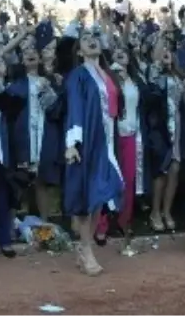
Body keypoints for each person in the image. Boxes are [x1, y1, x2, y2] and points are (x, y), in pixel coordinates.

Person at [62, 30, 124, 277]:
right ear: (79, 51)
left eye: (95, 36)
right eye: (85, 38)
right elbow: (75, 108)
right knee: (89, 195)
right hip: (88, 140)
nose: (92, 39)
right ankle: (86, 250)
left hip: (108, 139)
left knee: (102, 193)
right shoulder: (78, 75)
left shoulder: (107, 75)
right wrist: (72, 143)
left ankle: (84, 246)